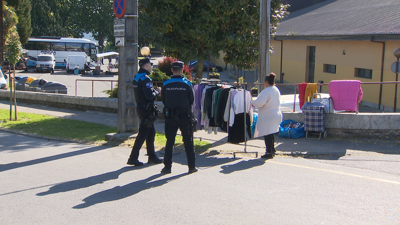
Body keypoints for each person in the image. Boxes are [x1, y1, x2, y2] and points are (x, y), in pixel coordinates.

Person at [161, 61, 197, 174]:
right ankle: (191, 167)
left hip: (170, 117)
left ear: (172, 70)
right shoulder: (187, 84)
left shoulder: (166, 84)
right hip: (185, 117)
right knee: (188, 142)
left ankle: (167, 167)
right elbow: (192, 100)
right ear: (182, 70)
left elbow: (163, 100)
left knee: (170, 141)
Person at [126, 57, 163, 166]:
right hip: (147, 109)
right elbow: (150, 96)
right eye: (151, 64)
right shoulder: (145, 79)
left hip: (141, 108)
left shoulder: (136, 77)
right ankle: (132, 158)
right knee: (142, 134)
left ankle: (152, 156)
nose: (152, 67)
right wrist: (158, 92)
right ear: (146, 65)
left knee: (150, 133)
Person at [251, 72, 282, 159]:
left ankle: (269, 152)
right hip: (276, 114)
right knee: (271, 134)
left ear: (267, 82)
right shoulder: (276, 89)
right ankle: (272, 150)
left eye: (264, 82)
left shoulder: (266, 91)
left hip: (268, 116)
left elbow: (260, 102)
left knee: (267, 134)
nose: (264, 83)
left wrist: (252, 103)